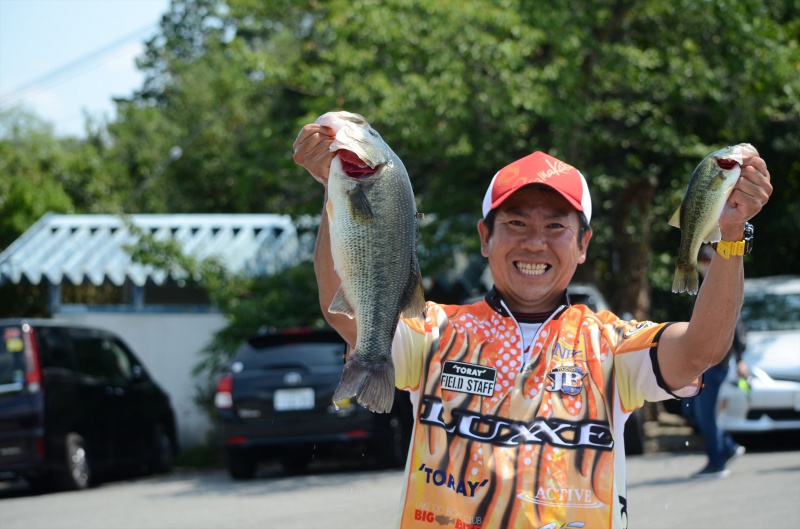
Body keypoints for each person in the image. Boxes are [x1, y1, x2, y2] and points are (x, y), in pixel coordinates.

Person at [293, 122, 772, 529]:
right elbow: (346, 313)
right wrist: (339, 189)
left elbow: (702, 349)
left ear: (583, 244)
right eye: (516, 224)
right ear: (486, 237)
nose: (535, 244)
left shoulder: (611, 344)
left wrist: (730, 236)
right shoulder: (434, 332)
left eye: (556, 227)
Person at [681, 243, 749, 479]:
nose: (705, 265)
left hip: (716, 362)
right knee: (690, 409)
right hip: (702, 362)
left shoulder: (721, 286)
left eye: (710, 260)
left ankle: (717, 462)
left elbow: (736, 326)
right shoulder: (704, 288)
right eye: (703, 261)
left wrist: (740, 359)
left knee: (703, 414)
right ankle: (727, 446)